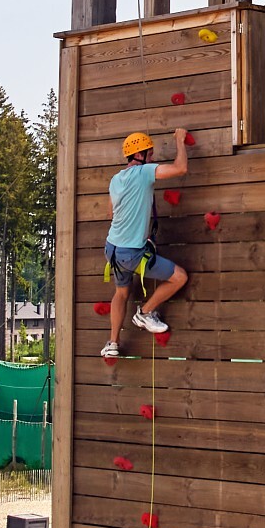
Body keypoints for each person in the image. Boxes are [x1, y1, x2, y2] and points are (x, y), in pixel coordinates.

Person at [103, 128, 189, 360]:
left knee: (121, 292)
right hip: (131, 253)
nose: (152, 158)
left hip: (113, 249)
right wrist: (180, 140)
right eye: (150, 154)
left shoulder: (116, 179)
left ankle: (113, 343)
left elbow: (111, 213)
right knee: (179, 277)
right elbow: (180, 168)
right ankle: (145, 312)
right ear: (139, 155)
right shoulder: (144, 172)